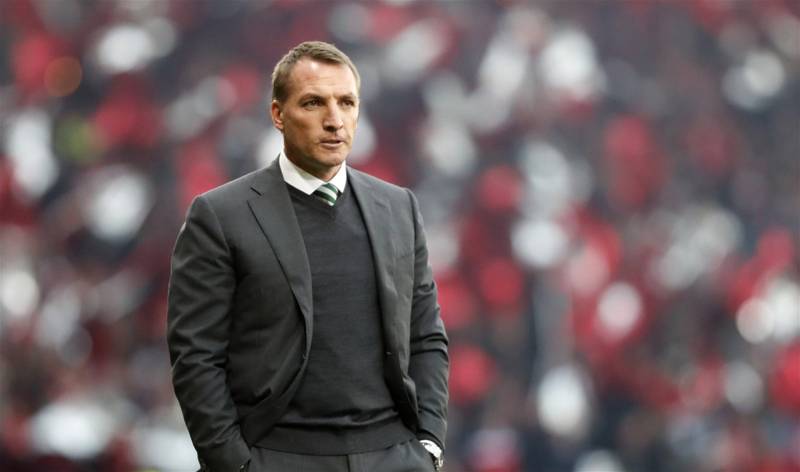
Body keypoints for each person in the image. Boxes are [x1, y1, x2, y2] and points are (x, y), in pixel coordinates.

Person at [167, 41, 449, 472]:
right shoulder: (219, 215)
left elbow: (426, 335)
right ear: (278, 114)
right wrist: (235, 464)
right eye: (314, 103)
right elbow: (196, 356)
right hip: (279, 456)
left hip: (393, 455)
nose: (334, 120)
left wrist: (429, 443)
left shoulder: (399, 207)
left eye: (346, 102)